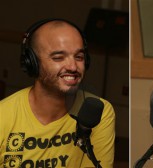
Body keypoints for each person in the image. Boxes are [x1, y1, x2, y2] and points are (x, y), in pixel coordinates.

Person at [0, 19, 115, 168]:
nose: (73, 67)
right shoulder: (3, 115)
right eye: (58, 58)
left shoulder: (99, 111)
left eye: (79, 57)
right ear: (32, 62)